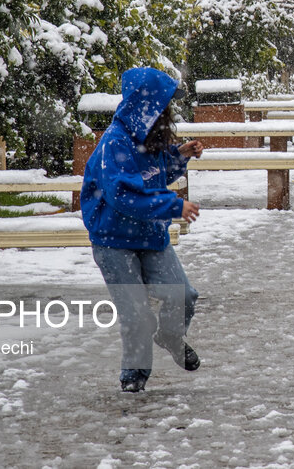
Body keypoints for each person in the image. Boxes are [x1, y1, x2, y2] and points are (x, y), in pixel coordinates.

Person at [81, 67, 205, 392]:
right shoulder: (115, 143)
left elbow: (153, 175)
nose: (169, 115)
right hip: (114, 241)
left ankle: (170, 337)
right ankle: (134, 378)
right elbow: (124, 194)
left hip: (150, 235)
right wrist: (174, 206)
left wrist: (178, 156)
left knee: (184, 295)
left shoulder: (148, 138)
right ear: (146, 108)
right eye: (163, 108)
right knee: (136, 315)